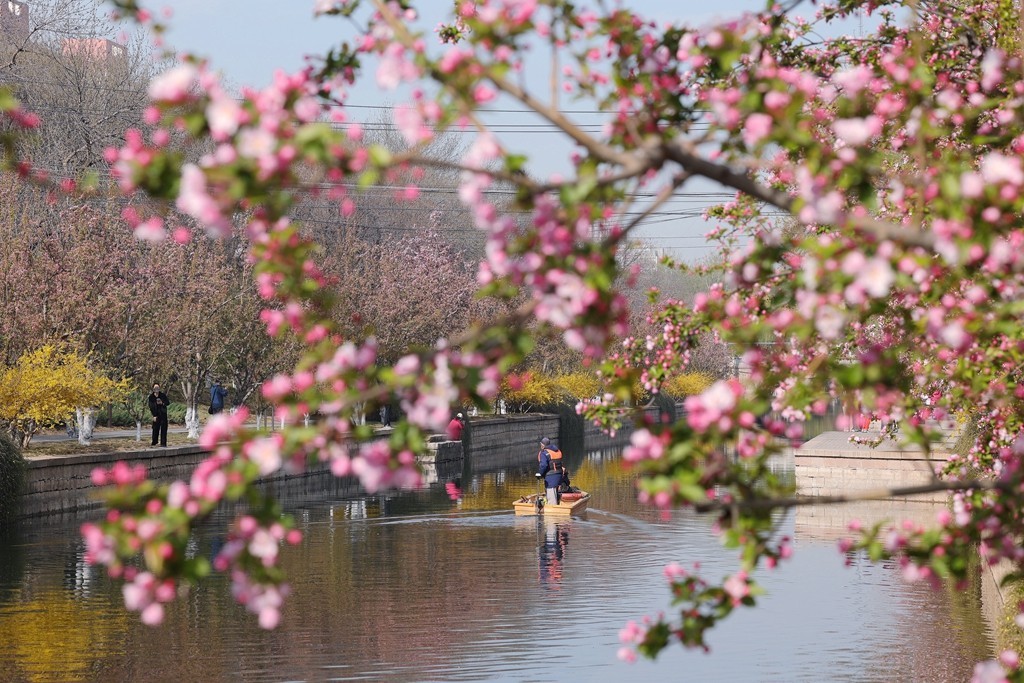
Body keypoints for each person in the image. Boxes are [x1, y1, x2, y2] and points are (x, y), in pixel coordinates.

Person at [536, 440, 565, 505]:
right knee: (556, 495)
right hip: (559, 477)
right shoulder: (557, 451)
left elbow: (543, 465)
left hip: (550, 479)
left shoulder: (544, 453)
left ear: (543, 445)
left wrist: (540, 474)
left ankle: (551, 513)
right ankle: (559, 508)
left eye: (541, 444)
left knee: (552, 501)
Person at [148, 383, 170, 447]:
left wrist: (162, 403)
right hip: (156, 415)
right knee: (155, 429)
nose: (156, 389)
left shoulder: (163, 395)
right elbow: (151, 406)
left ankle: (163, 443)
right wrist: (154, 415)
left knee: (164, 429)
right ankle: (154, 442)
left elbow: (168, 403)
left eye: (157, 387)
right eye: (155, 388)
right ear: (153, 389)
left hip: (163, 414)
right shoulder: (151, 397)